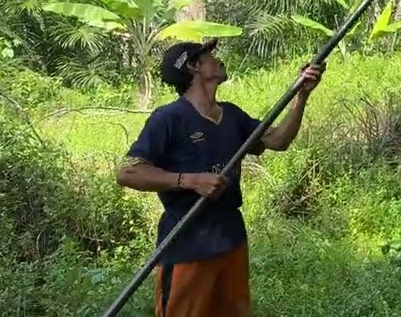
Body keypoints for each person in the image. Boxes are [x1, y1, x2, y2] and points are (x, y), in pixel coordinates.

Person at [116, 38, 324, 317]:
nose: (218, 58)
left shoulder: (233, 115)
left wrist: (302, 96)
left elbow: (277, 140)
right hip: (187, 243)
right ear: (193, 67)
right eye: (209, 56)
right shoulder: (168, 118)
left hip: (231, 239)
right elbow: (128, 172)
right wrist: (189, 181)